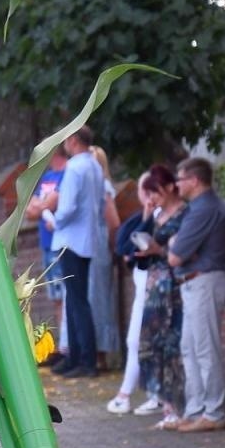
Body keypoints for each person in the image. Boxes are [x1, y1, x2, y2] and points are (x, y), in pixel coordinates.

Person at [162, 156, 225, 432]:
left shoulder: (205, 208)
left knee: (205, 350)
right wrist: (175, 245)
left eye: (180, 179)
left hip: (205, 281)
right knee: (190, 349)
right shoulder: (201, 207)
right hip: (197, 282)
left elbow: (175, 256)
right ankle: (195, 410)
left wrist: (174, 245)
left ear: (194, 180)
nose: (177, 184)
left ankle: (213, 413)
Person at [47, 127, 107, 378]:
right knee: (75, 299)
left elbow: (68, 207)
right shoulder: (94, 166)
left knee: (77, 301)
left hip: (70, 240)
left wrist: (54, 220)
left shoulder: (74, 167)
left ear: (73, 141)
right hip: (87, 239)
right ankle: (76, 357)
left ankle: (84, 359)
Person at [135, 165, 188, 429]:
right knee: (152, 344)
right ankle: (166, 405)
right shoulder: (157, 216)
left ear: (169, 187)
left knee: (172, 344)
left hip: (173, 286)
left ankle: (179, 406)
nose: (153, 197)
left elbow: (181, 249)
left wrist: (159, 248)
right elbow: (128, 239)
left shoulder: (185, 213)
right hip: (154, 285)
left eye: (155, 191)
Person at [105, 172, 159, 414]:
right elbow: (124, 247)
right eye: (143, 190)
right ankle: (131, 394)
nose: (148, 196)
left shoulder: (167, 219)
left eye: (152, 190)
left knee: (148, 340)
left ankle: (147, 395)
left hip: (158, 287)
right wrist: (146, 218)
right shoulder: (139, 219)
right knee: (135, 340)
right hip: (142, 287)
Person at [25, 148, 70, 366]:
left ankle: (66, 346)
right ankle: (62, 345)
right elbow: (30, 211)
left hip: (61, 243)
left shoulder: (67, 173)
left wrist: (41, 205)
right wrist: (43, 205)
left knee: (65, 294)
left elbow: (50, 204)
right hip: (47, 242)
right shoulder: (47, 178)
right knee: (55, 297)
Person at [88, 145, 123, 366]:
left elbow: (113, 221)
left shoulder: (104, 187)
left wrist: (112, 247)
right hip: (90, 244)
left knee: (98, 299)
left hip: (99, 246)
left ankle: (102, 352)